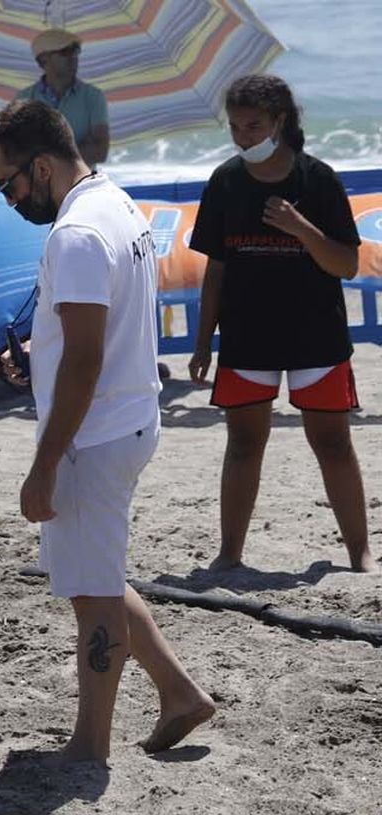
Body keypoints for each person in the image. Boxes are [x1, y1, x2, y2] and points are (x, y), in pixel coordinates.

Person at [0, 100, 213, 762]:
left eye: (9, 183)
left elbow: (84, 360)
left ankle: (89, 746)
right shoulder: (114, 203)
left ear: (43, 165)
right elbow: (90, 337)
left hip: (94, 434)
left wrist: (44, 464)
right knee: (97, 574)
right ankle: (179, 692)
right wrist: (37, 354)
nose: (8, 198)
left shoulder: (76, 234)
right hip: (129, 414)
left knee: (91, 596)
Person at [186, 75, 375, 574]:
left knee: (332, 443)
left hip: (316, 334)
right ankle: (230, 554)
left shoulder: (318, 180)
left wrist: (299, 227)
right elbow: (215, 272)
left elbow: (346, 265)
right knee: (244, 444)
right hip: (248, 338)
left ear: (280, 122)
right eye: (236, 127)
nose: (244, 136)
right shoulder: (226, 182)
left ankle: (360, 552)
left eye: (254, 126)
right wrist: (203, 343)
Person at [16, 29, 109, 167]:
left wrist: (43, 151)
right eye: (65, 51)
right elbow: (19, 150)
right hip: (38, 187)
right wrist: (78, 148)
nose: (73, 57)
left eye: (75, 51)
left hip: (81, 185)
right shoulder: (24, 99)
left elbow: (100, 152)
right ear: (43, 60)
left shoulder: (93, 96)